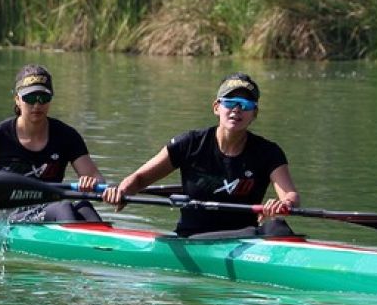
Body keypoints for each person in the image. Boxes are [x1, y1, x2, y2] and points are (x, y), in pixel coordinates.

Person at [102, 73, 300, 238]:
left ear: (254, 113)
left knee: (278, 226)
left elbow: (290, 195)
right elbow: (141, 178)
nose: (237, 110)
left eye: (245, 105)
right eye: (230, 102)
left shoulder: (268, 152)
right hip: (192, 238)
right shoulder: (190, 143)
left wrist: (284, 204)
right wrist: (121, 192)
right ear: (216, 107)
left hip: (244, 238)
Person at [0, 64, 104, 222]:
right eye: (30, 98)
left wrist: (91, 183)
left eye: (43, 97)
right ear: (17, 99)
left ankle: (106, 248)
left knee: (84, 206)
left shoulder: (67, 136)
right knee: (64, 207)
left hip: (48, 208)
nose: (37, 104)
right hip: (9, 215)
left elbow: (96, 177)